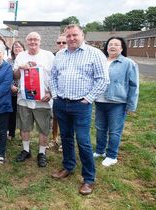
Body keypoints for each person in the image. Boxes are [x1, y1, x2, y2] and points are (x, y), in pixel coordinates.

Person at [50, 24, 109, 195]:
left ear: (83, 35)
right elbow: (53, 76)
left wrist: (88, 98)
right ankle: (68, 166)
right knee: (66, 137)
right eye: (68, 36)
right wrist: (55, 94)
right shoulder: (60, 54)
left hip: (81, 105)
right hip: (61, 103)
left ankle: (89, 178)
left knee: (83, 141)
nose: (71, 38)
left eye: (75, 35)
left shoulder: (94, 53)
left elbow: (103, 80)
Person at [93, 36, 139, 167]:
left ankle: (112, 155)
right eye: (110, 44)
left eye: (116, 44)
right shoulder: (101, 61)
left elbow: (134, 85)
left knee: (114, 131)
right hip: (100, 101)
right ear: (106, 47)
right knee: (100, 128)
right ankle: (100, 151)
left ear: (122, 48)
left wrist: (131, 105)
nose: (112, 46)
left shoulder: (128, 63)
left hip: (117, 103)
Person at [13, 32, 54, 167]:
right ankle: (26, 150)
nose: (33, 42)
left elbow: (55, 76)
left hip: (43, 99)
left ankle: (42, 153)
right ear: (26, 41)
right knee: (24, 126)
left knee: (43, 128)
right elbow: (16, 75)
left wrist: (51, 93)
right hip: (24, 99)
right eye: (30, 39)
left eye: (35, 39)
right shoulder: (21, 55)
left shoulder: (48, 55)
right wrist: (21, 67)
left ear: (40, 41)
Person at [49, 34, 67, 150]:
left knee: (65, 121)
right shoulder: (53, 56)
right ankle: (54, 139)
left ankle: (63, 142)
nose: (61, 45)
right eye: (59, 43)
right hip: (55, 94)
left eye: (63, 42)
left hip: (68, 94)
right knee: (55, 118)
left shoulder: (72, 56)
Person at [7, 41, 25, 140]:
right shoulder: (8, 61)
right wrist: (10, 86)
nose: (17, 48)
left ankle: (24, 134)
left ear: (23, 48)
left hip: (24, 91)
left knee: (23, 114)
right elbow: (4, 75)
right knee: (12, 113)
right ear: (12, 50)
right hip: (12, 91)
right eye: (15, 47)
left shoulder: (26, 59)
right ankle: (11, 132)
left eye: (19, 46)